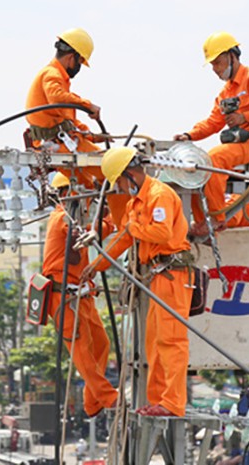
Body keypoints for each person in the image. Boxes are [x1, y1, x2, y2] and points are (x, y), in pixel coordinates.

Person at [82, 147, 194, 417]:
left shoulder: (159, 195)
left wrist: (133, 228)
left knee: (172, 341)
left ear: (129, 174)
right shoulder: (137, 204)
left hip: (174, 275)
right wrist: (95, 266)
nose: (120, 188)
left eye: (119, 181)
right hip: (158, 276)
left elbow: (161, 232)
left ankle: (173, 403)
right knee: (154, 344)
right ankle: (158, 401)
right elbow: (124, 238)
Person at [173, 32, 249, 237]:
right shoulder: (226, 94)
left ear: (232, 55)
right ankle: (202, 220)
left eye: (218, 62)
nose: (216, 69)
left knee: (214, 158)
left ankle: (216, 220)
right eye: (213, 65)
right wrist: (189, 135)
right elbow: (213, 122)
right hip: (242, 142)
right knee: (196, 166)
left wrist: (245, 116)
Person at [24, 27, 128, 224]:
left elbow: (67, 121)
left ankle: (81, 227)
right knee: (115, 172)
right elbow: (57, 98)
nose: (79, 67)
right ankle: (123, 225)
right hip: (58, 143)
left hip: (60, 140)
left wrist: (92, 135)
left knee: (88, 184)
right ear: (72, 57)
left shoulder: (56, 76)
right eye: (80, 62)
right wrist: (87, 105)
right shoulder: (52, 74)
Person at [43, 172, 118, 418]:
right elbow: (82, 234)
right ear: (66, 194)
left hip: (81, 295)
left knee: (102, 344)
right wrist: (109, 221)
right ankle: (108, 398)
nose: (84, 200)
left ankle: (93, 401)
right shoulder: (61, 218)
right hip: (62, 297)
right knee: (82, 350)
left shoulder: (75, 216)